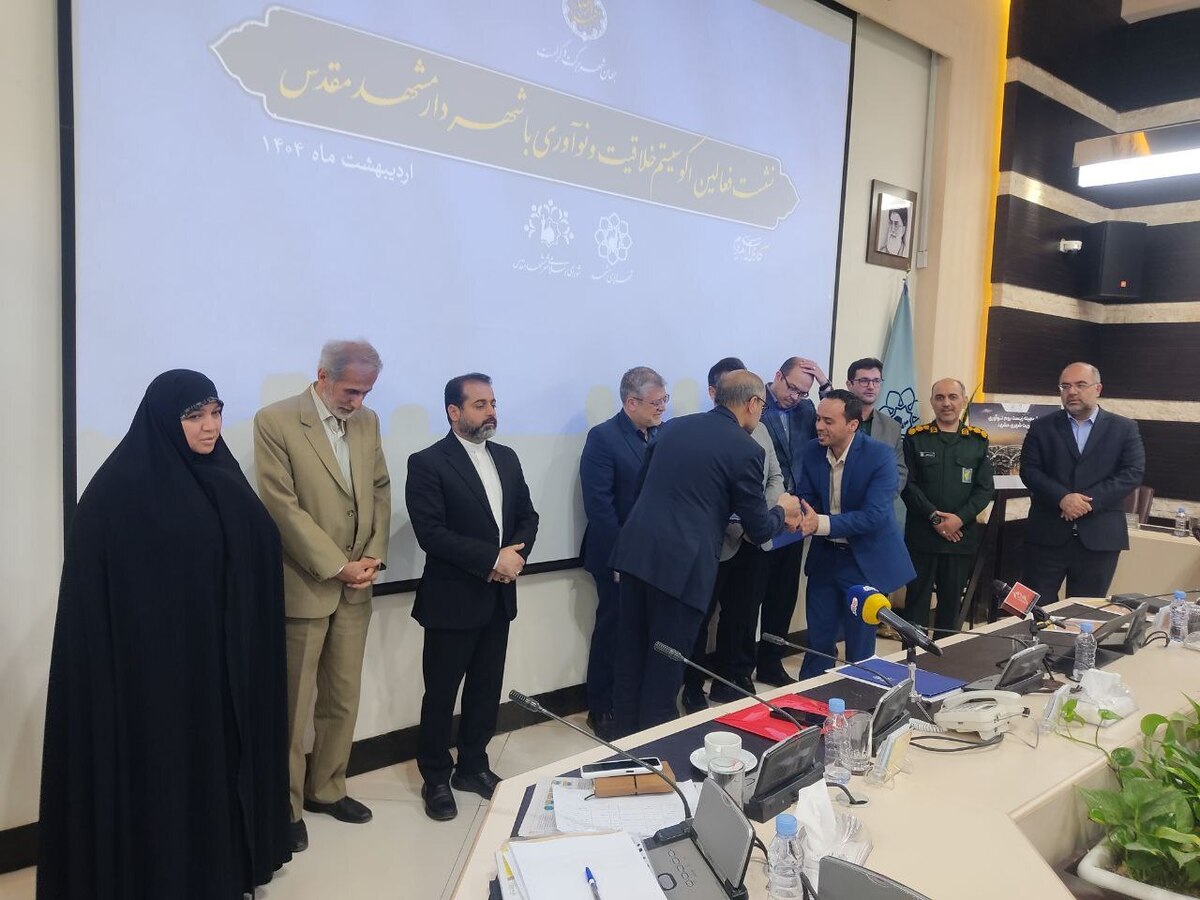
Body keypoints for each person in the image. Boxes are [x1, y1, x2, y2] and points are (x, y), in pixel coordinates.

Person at [39, 370, 292, 899]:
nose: (210, 426)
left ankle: (223, 872)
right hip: (152, 681)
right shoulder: (118, 492)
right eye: (194, 416)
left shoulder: (222, 473)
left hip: (217, 671)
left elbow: (254, 543)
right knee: (167, 775)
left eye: (215, 413)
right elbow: (109, 595)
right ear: (162, 420)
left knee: (216, 768)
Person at [254, 340, 391, 852]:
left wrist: (373, 555)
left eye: (366, 392)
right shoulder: (276, 421)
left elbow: (380, 488)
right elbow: (281, 505)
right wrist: (337, 564)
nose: (358, 401)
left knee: (342, 697)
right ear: (322, 376)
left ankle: (327, 788)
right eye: (351, 391)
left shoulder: (368, 421)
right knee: (292, 707)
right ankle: (285, 806)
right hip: (306, 584)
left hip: (357, 586)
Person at [610, 370, 802, 736]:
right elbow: (759, 527)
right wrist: (783, 511)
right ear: (752, 403)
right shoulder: (746, 448)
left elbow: (641, 490)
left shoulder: (674, 427)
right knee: (665, 670)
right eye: (762, 406)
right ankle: (655, 754)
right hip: (681, 570)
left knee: (631, 660)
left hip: (636, 556)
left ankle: (624, 747)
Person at [406, 373, 539, 822]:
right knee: (441, 694)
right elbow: (432, 533)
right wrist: (492, 559)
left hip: (499, 596)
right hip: (452, 600)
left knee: (486, 688)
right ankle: (435, 777)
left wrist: (514, 559)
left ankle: (473, 766)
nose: (491, 412)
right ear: (454, 411)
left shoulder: (507, 457)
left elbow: (528, 516)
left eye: (493, 403)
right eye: (480, 404)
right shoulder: (428, 462)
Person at [682, 358, 784, 712]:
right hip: (718, 541)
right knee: (699, 619)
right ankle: (692, 686)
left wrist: (762, 515)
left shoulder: (762, 430)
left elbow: (776, 478)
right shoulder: (702, 431)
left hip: (755, 540)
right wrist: (743, 520)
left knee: (742, 615)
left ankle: (731, 680)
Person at [795, 390, 916, 680]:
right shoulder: (811, 451)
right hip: (825, 558)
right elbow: (807, 498)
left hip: (863, 561)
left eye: (828, 421)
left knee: (860, 647)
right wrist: (793, 511)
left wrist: (820, 524)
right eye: (818, 419)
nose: (819, 426)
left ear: (852, 424)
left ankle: (859, 699)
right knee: (818, 641)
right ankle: (809, 699)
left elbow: (874, 516)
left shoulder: (879, 456)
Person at [579, 366, 666, 740]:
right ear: (631, 402)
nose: (662, 407)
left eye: (664, 400)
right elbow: (599, 506)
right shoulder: (603, 438)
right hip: (616, 556)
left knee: (646, 631)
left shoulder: (663, 434)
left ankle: (635, 701)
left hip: (655, 556)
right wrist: (621, 558)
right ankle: (601, 706)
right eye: (655, 402)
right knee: (613, 631)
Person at [1020, 363, 1145, 602]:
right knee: (1035, 610)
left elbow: (1132, 473)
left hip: (1099, 538)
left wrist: (1086, 502)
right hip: (1047, 536)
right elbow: (1030, 471)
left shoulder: (1124, 428)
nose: (1072, 392)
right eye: (1065, 386)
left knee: (1085, 614)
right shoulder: (1041, 427)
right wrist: (1062, 498)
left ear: (1098, 389)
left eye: (1080, 385)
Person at [900, 379, 994, 632]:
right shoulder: (915, 439)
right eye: (940, 397)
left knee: (951, 608)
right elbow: (907, 485)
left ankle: (946, 656)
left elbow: (985, 489)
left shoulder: (977, 441)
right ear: (932, 402)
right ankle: (914, 654)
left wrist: (958, 519)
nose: (946, 403)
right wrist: (935, 518)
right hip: (923, 538)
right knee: (916, 604)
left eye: (953, 397)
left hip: (959, 539)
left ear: (963, 400)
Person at [756, 356, 827, 685]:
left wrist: (825, 384)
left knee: (782, 598)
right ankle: (739, 667)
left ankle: (771, 664)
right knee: (749, 598)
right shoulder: (756, 405)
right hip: (763, 516)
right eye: (792, 388)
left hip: (796, 518)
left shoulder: (807, 410)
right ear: (778, 376)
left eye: (803, 392)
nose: (795, 397)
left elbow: (840, 417)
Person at [841, 357, 907, 496]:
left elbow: (899, 472)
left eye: (876, 381)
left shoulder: (892, 427)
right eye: (864, 381)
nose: (871, 386)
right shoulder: (836, 421)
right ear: (849, 384)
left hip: (877, 502)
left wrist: (879, 498)